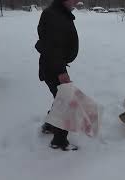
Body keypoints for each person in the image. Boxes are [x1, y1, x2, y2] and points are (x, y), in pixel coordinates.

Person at [35, 0, 80, 151]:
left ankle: (49, 125)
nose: (78, 1)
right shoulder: (54, 15)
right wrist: (61, 71)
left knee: (61, 96)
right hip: (54, 67)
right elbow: (52, 47)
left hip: (54, 65)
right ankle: (59, 141)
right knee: (66, 100)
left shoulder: (58, 13)